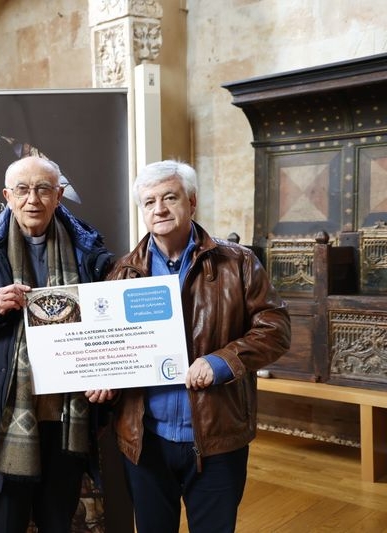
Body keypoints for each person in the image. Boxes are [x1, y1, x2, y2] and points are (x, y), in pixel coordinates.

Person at [106, 160, 291, 533]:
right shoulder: (122, 272)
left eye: (169, 197)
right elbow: (112, 347)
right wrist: (105, 378)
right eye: (149, 202)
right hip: (146, 441)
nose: (159, 209)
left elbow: (276, 328)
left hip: (217, 436)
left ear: (191, 203)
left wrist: (222, 361)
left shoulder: (237, 263)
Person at [0, 155, 115, 533]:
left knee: (57, 523)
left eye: (43, 189)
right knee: (4, 525)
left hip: (66, 417)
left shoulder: (91, 254)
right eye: (23, 189)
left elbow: (110, 326)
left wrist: (107, 372)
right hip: (2, 421)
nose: (33, 199)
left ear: (58, 196)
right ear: (7, 196)